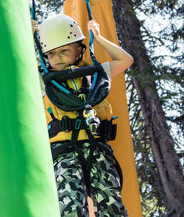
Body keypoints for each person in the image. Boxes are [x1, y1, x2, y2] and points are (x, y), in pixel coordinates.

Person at [32, 13, 133, 216]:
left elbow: (125, 60)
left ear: (79, 49)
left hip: (98, 149)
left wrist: (98, 37)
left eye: (64, 50)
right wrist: (28, 40)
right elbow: (17, 68)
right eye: (50, 53)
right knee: (70, 207)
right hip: (64, 153)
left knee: (112, 206)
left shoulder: (95, 74)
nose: (57, 57)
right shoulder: (45, 81)